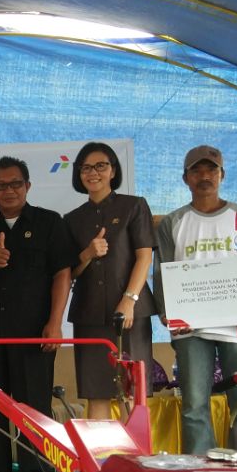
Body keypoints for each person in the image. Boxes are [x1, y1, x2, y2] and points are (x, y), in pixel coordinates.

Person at [0, 156, 79, 472]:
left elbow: (63, 273)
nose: (9, 191)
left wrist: (55, 323)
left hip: (35, 334)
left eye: (15, 183)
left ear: (28, 186)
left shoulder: (50, 222)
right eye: (1, 185)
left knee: (34, 408)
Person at [155, 145, 237, 454]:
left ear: (222, 175)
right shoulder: (172, 223)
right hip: (191, 329)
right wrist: (168, 312)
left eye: (211, 170)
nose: (204, 176)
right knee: (194, 404)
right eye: (197, 171)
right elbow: (163, 271)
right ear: (185, 178)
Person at [65, 142, 156, 421]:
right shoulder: (71, 219)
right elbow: (70, 272)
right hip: (89, 314)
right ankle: (100, 463)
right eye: (86, 168)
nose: (93, 173)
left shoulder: (134, 206)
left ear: (113, 170)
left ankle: (137, 462)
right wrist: (88, 254)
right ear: (79, 174)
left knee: (133, 393)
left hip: (131, 313)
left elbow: (144, 257)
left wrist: (129, 301)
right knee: (97, 394)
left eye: (101, 166)